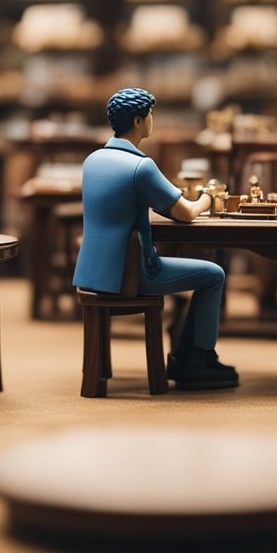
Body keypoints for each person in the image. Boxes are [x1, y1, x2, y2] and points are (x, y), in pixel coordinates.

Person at [72, 87, 238, 389]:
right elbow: (185, 213)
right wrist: (208, 197)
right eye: (150, 114)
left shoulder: (93, 160)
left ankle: (186, 352)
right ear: (138, 120)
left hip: (94, 271)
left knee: (204, 275)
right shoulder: (140, 166)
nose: (152, 119)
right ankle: (199, 357)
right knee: (213, 275)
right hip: (132, 273)